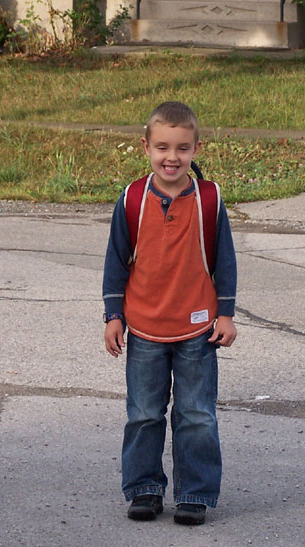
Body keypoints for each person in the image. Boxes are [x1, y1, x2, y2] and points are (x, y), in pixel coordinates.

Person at [102, 101, 237, 525]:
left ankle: (195, 493)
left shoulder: (209, 199)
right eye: (162, 147)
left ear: (196, 147)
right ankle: (144, 488)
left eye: (182, 148)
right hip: (143, 328)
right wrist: (113, 314)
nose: (171, 157)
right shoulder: (133, 199)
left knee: (196, 415)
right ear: (146, 147)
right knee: (143, 413)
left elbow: (225, 261)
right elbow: (115, 260)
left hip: (198, 330)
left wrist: (227, 314)